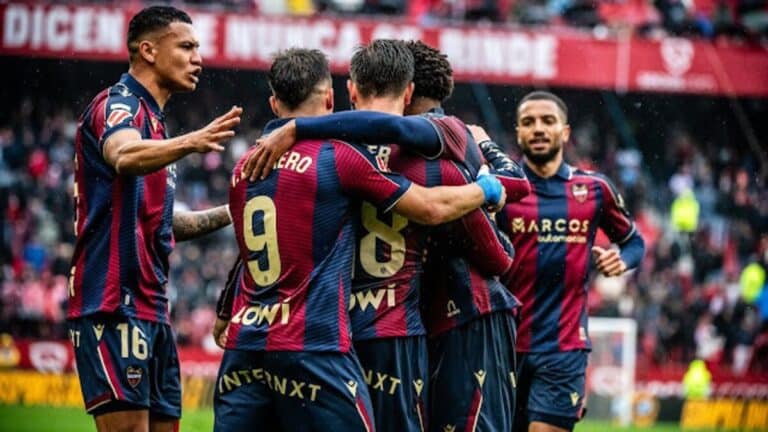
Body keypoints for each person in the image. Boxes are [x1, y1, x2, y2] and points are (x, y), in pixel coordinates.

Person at [214, 47, 505, 431]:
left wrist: (225, 309)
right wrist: (487, 188)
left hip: (253, 339)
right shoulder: (344, 156)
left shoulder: (245, 167)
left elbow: (253, 246)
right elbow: (439, 213)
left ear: (349, 92)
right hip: (345, 338)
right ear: (331, 97)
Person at [67, 6, 240, 432]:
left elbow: (163, 223)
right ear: (148, 50)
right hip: (112, 304)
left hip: (154, 309)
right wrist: (193, 141)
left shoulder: (157, 127)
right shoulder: (118, 104)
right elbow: (123, 155)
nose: (198, 58)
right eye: (186, 47)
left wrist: (235, 211)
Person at [474, 91, 645, 432]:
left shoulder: (594, 189)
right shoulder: (500, 190)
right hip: (503, 346)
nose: (538, 128)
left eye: (547, 121)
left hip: (564, 345)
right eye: (528, 122)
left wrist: (622, 260)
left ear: (565, 132)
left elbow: (634, 242)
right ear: (518, 133)